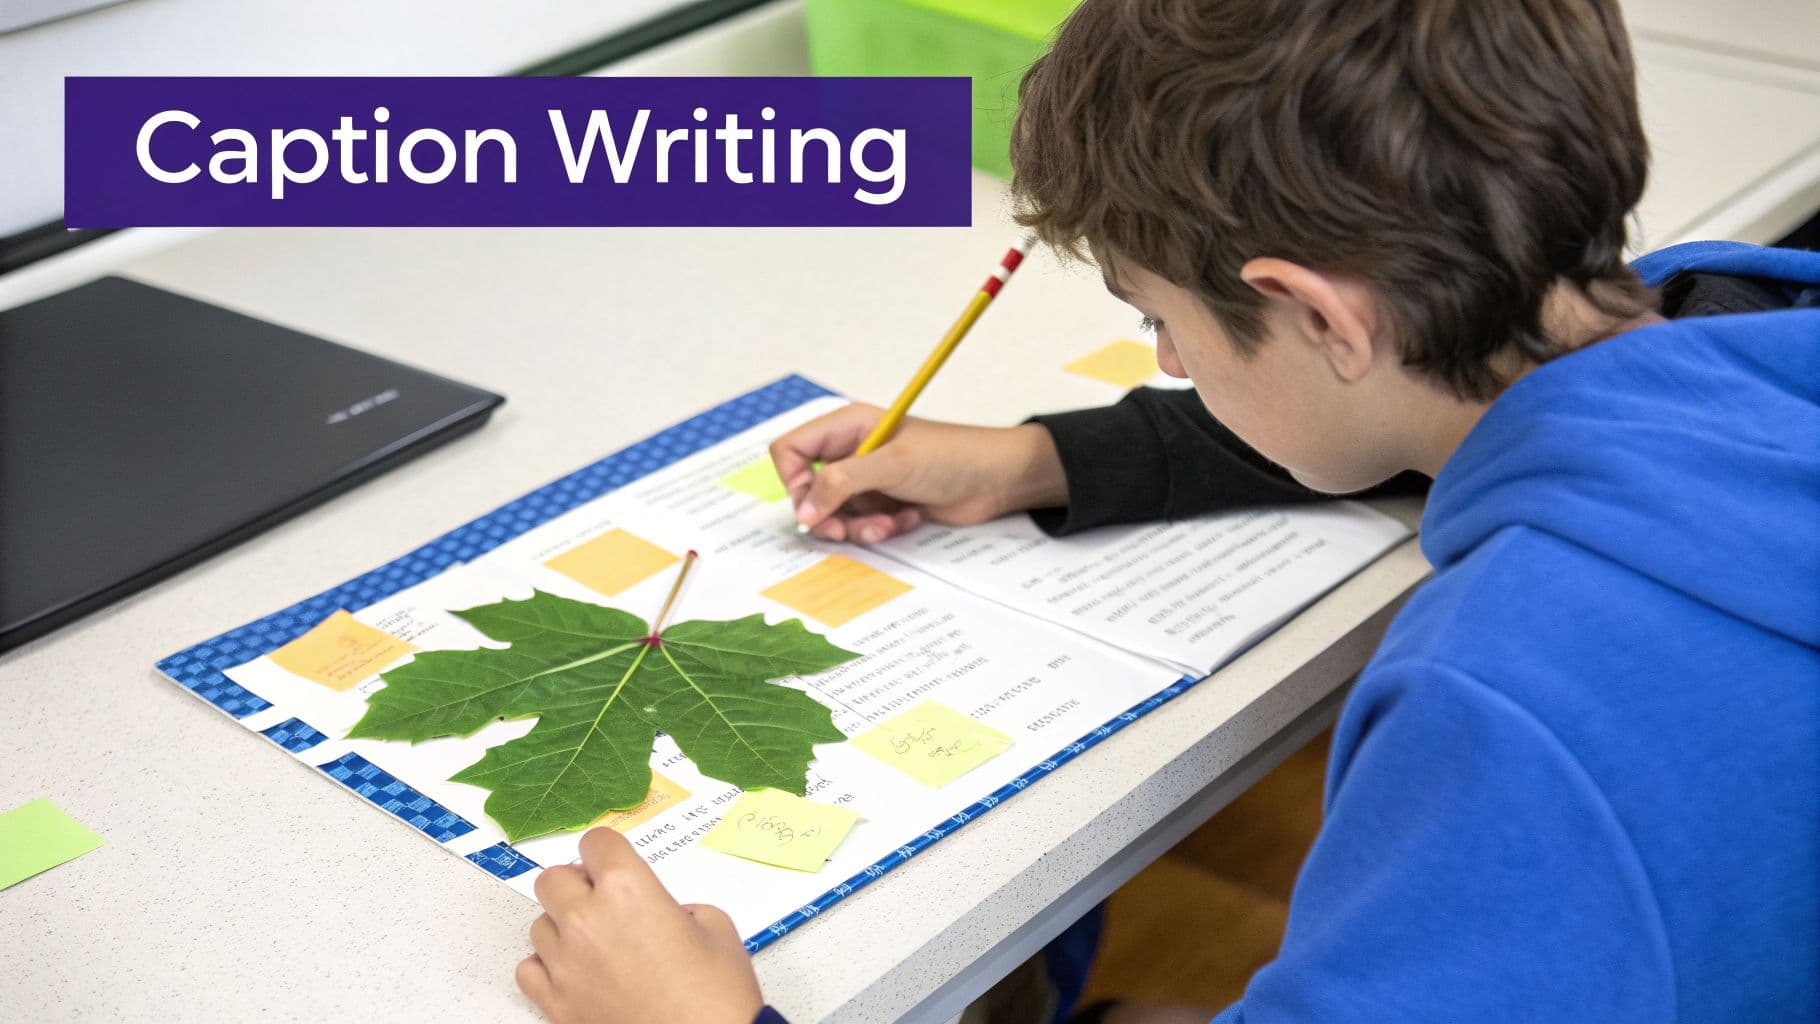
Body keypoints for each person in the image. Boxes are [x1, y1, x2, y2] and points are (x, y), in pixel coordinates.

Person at [513, 1, 1820, 1021]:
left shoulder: (1506, 705)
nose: (1170, 362)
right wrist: (1041, 460)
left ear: (1318, 315)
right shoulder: (1739, 309)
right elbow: (1408, 406)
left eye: (1161, 320)